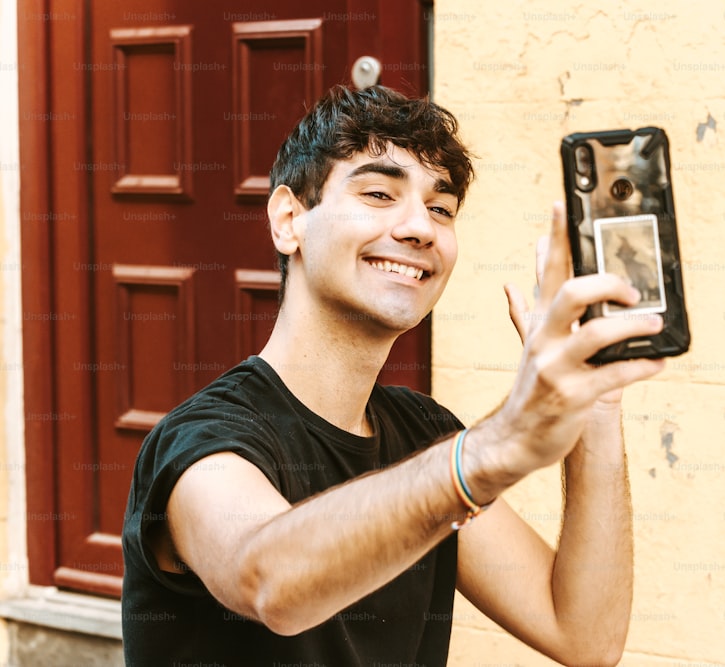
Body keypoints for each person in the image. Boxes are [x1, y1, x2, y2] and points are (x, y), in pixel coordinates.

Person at [121, 85, 665, 666]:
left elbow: (584, 635)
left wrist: (597, 400)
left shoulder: (424, 435)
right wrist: (495, 448)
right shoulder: (203, 439)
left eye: (441, 208)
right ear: (289, 221)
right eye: (379, 194)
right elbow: (268, 584)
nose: (420, 229)